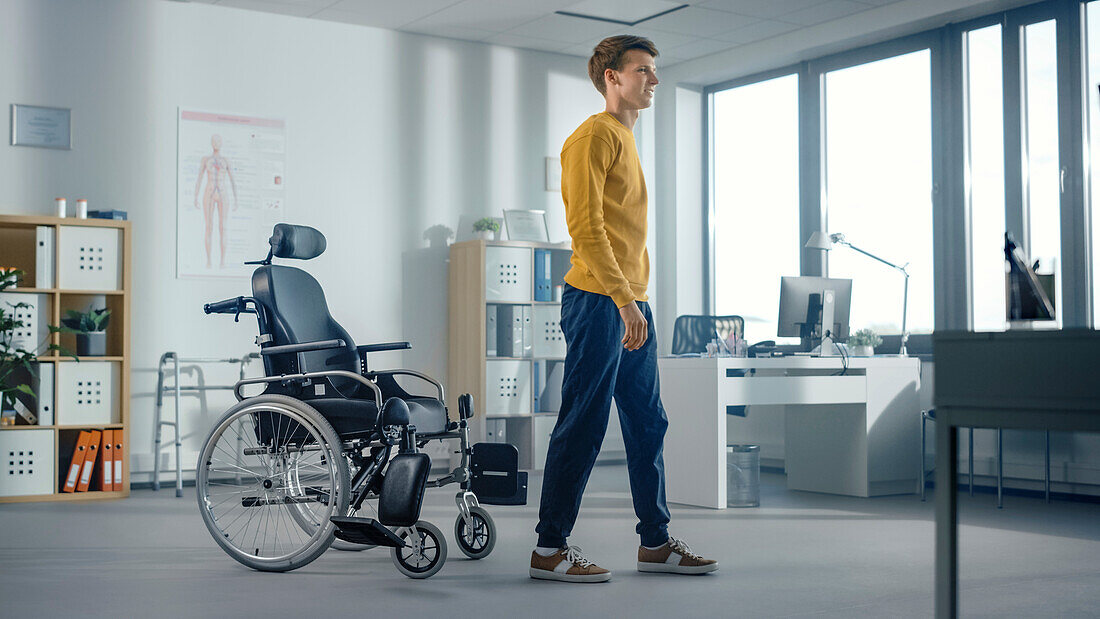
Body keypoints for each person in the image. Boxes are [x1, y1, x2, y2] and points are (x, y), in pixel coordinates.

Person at [530, 35, 718, 583]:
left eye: (654, 71)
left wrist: (634, 303)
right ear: (611, 77)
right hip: (599, 302)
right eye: (642, 70)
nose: (653, 79)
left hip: (629, 304)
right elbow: (586, 231)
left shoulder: (626, 139)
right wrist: (622, 301)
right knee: (584, 423)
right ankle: (549, 549)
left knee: (647, 421)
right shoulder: (592, 137)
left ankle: (655, 541)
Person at [193, 134, 238, 269]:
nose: (216, 143)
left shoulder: (226, 160)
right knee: (209, 227)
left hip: (223, 192)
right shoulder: (206, 160)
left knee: (223, 227)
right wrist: (195, 196)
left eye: (219, 140)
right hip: (209, 191)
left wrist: (236, 199)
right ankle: (208, 261)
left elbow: (232, 180)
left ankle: (222, 261)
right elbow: (200, 178)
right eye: (214, 140)